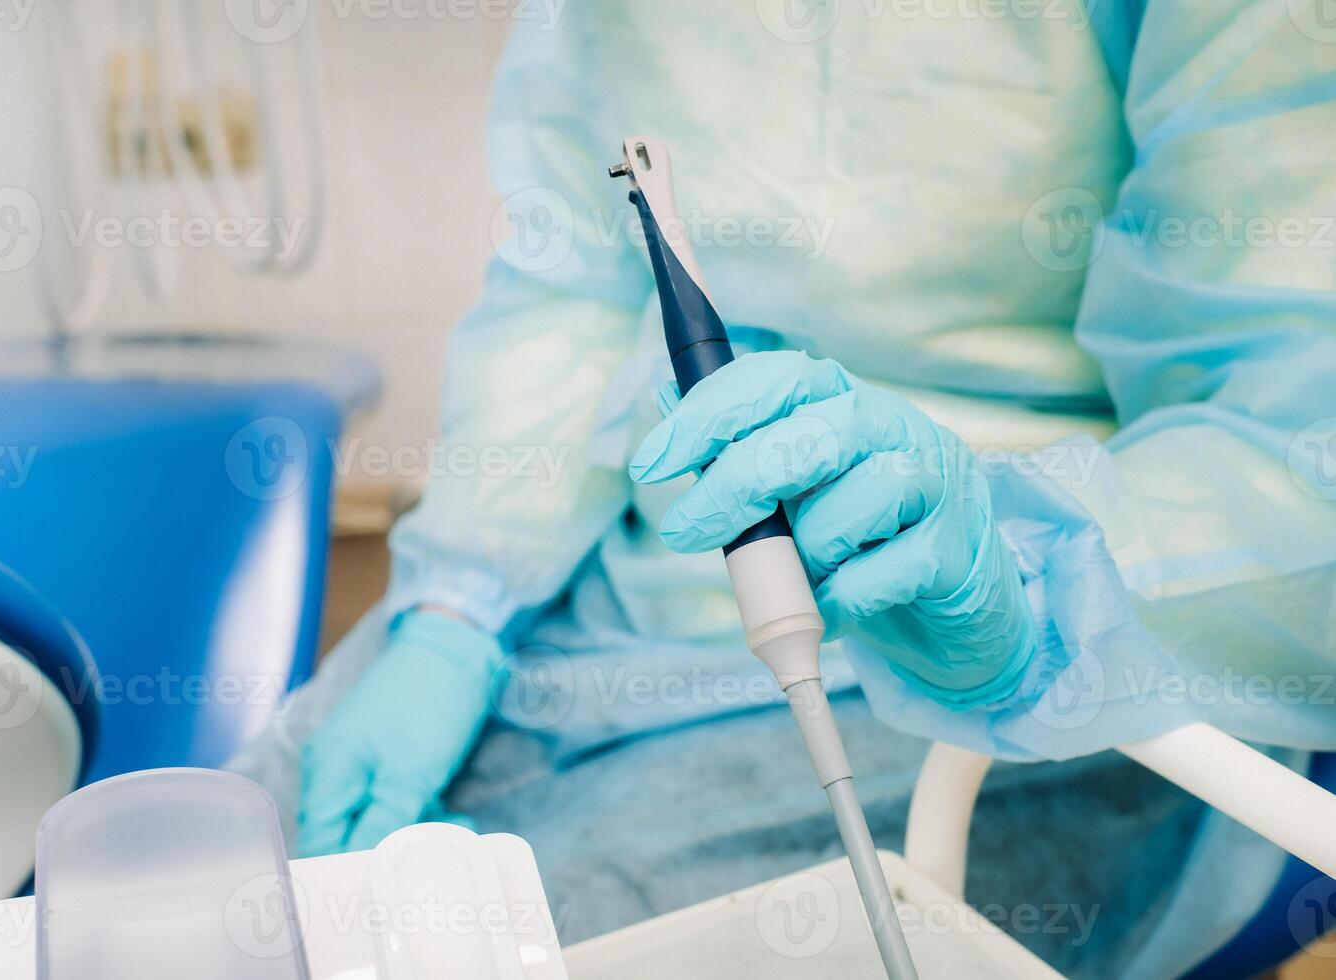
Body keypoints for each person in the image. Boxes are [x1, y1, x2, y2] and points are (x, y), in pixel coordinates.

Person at [230, 1, 1336, 974]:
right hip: (601, 604)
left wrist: (1033, 586)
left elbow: (1296, 428)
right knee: (225, 884)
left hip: (997, 650)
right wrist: (453, 604)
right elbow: (571, 272)